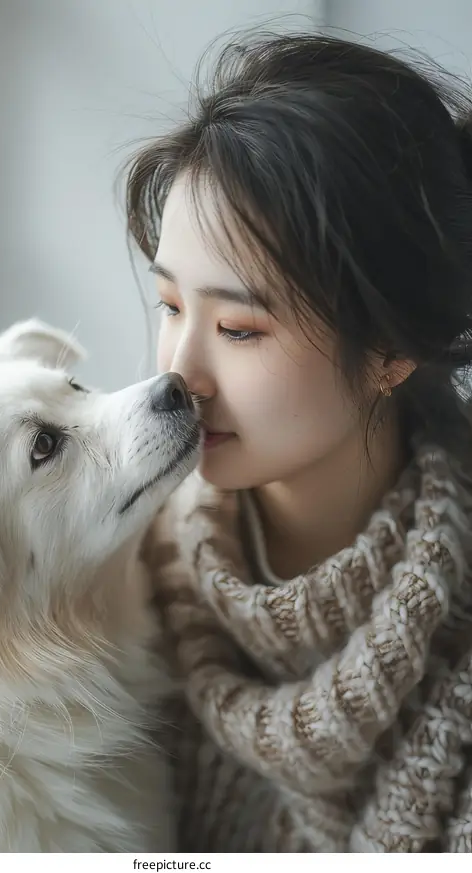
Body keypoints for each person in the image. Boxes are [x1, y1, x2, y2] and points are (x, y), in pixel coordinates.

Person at [124, 29, 472, 852]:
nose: (178, 372)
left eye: (239, 328)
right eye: (171, 306)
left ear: (390, 348)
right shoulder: (111, 589)